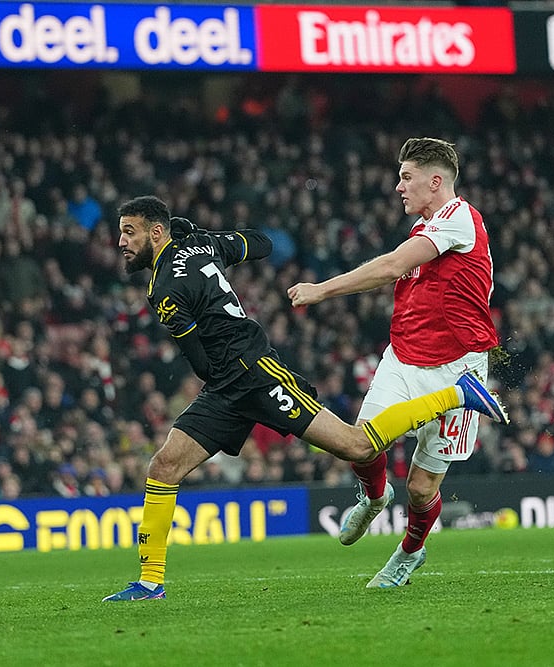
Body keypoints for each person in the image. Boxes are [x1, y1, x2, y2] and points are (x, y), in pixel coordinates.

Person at [103, 195, 507, 602]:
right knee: (165, 465)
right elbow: (261, 243)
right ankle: (150, 582)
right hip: (230, 384)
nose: (121, 241)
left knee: (358, 444)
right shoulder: (202, 246)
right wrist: (207, 238)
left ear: (157, 232)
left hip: (253, 376)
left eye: (129, 232)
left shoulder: (164, 289)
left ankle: (457, 394)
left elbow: (202, 364)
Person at [288, 137, 507, 588]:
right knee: (357, 445)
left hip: (460, 367)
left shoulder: (458, 220)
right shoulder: (425, 226)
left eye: (406, 178)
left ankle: (409, 552)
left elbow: (390, 267)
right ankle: (372, 497)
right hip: (405, 358)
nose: (397, 187)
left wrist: (321, 290)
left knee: (423, 489)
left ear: (435, 181)